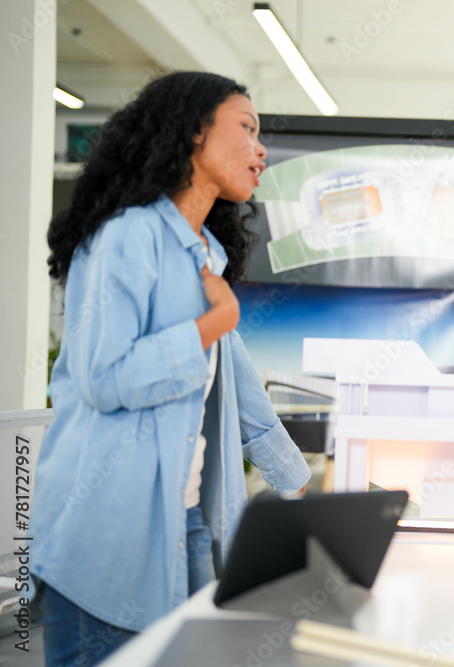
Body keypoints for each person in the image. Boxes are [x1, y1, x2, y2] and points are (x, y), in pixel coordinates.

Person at [32, 71, 311, 665]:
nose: (261, 149)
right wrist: (214, 322)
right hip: (105, 529)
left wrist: (299, 483)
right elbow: (105, 379)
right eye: (246, 128)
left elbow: (232, 386)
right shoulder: (125, 239)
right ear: (190, 135)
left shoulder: (203, 252)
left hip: (180, 520)